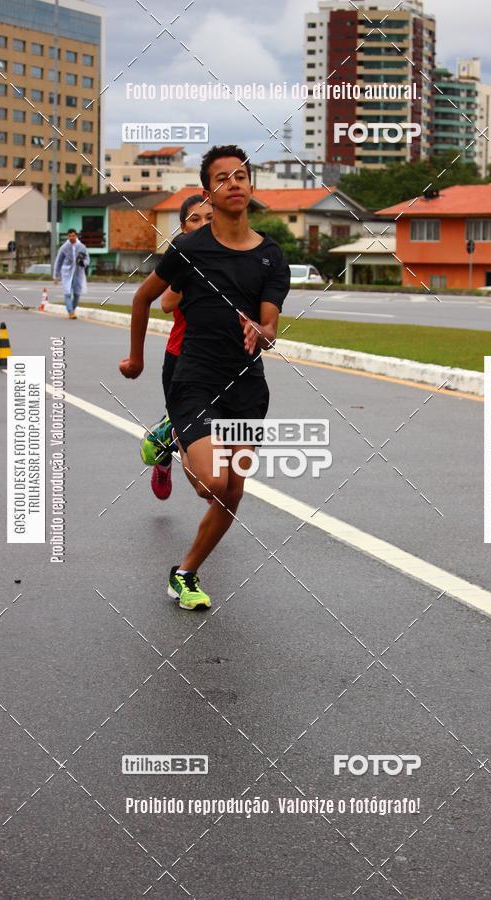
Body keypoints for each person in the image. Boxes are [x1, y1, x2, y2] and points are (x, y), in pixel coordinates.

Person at [119, 144, 290, 611]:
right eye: (222, 178)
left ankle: (184, 573)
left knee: (232, 492)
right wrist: (135, 359)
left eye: (241, 176)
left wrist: (262, 332)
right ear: (208, 192)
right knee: (212, 481)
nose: (233, 184)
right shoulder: (189, 249)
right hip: (194, 379)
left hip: (247, 388)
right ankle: (175, 433)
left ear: (251, 186)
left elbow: (270, 326)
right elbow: (144, 298)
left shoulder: (271, 256)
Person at [141, 194, 213, 501]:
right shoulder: (185, 258)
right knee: (201, 462)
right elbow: (166, 303)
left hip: (221, 359)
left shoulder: (234, 254)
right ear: (183, 228)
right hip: (182, 357)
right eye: (195, 220)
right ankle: (169, 443)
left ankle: (171, 433)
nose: (203, 225)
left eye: (210, 218)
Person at [53, 228, 90, 319]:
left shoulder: (82, 247)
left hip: (78, 272)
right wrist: (56, 275)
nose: (71, 237)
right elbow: (58, 261)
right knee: (67, 292)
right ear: (67, 237)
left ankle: (72, 310)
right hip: (67, 272)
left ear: (76, 236)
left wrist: (83, 263)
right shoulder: (64, 247)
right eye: (69, 236)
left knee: (77, 293)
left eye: (73, 235)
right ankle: (70, 311)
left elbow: (87, 259)